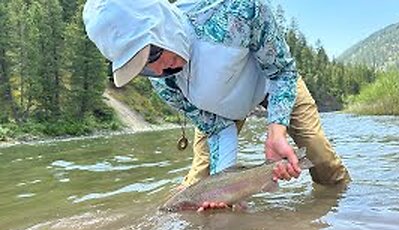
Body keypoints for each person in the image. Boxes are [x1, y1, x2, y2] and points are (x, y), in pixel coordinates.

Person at [83, 0, 350, 211]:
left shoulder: (236, 9)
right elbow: (218, 128)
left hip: (273, 83)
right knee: (196, 188)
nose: (158, 68)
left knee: (319, 156)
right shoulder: (163, 81)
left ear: (161, 22)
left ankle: (345, 209)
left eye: (151, 52)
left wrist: (276, 130)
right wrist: (225, 190)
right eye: (140, 65)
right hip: (218, 112)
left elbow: (282, 73)